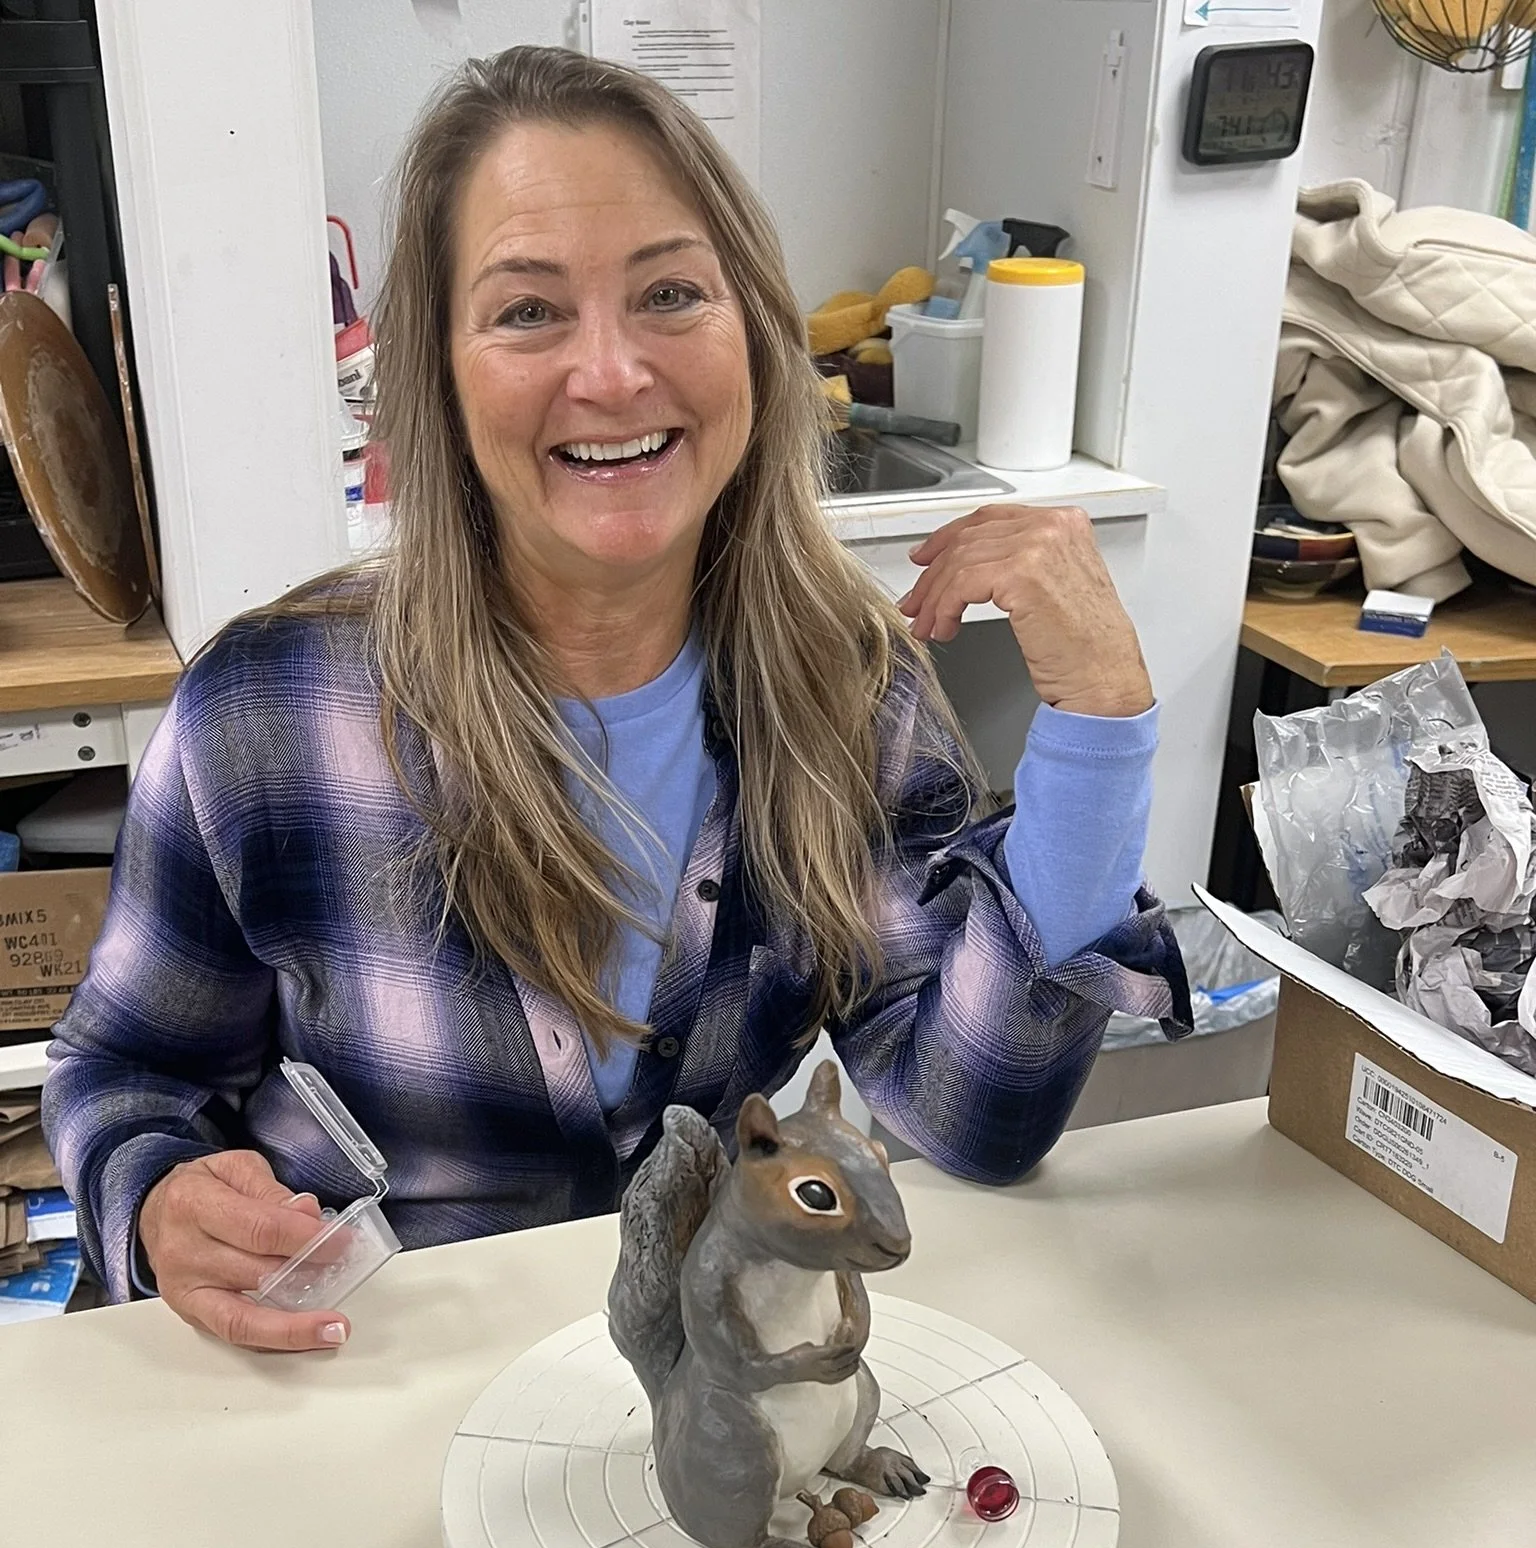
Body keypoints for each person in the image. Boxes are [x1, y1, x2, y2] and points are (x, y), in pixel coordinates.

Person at [43, 45, 1189, 1354]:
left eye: (669, 294)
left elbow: (976, 1117)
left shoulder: (846, 693)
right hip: (354, 1376)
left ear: (753, 340)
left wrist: (1099, 726)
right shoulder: (263, 716)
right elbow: (123, 1070)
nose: (611, 373)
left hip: (675, 1386)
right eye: (528, 313)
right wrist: (154, 1201)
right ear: (439, 376)